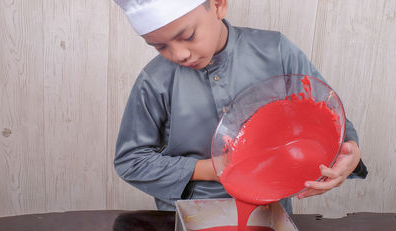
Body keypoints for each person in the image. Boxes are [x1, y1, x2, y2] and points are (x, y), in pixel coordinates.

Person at [113, 0, 367, 213]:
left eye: (187, 36)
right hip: (188, 216)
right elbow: (130, 161)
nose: (179, 54)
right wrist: (210, 169)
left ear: (218, 5)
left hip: (270, 212)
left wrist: (350, 150)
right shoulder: (155, 81)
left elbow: (329, 116)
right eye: (160, 46)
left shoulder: (277, 51)